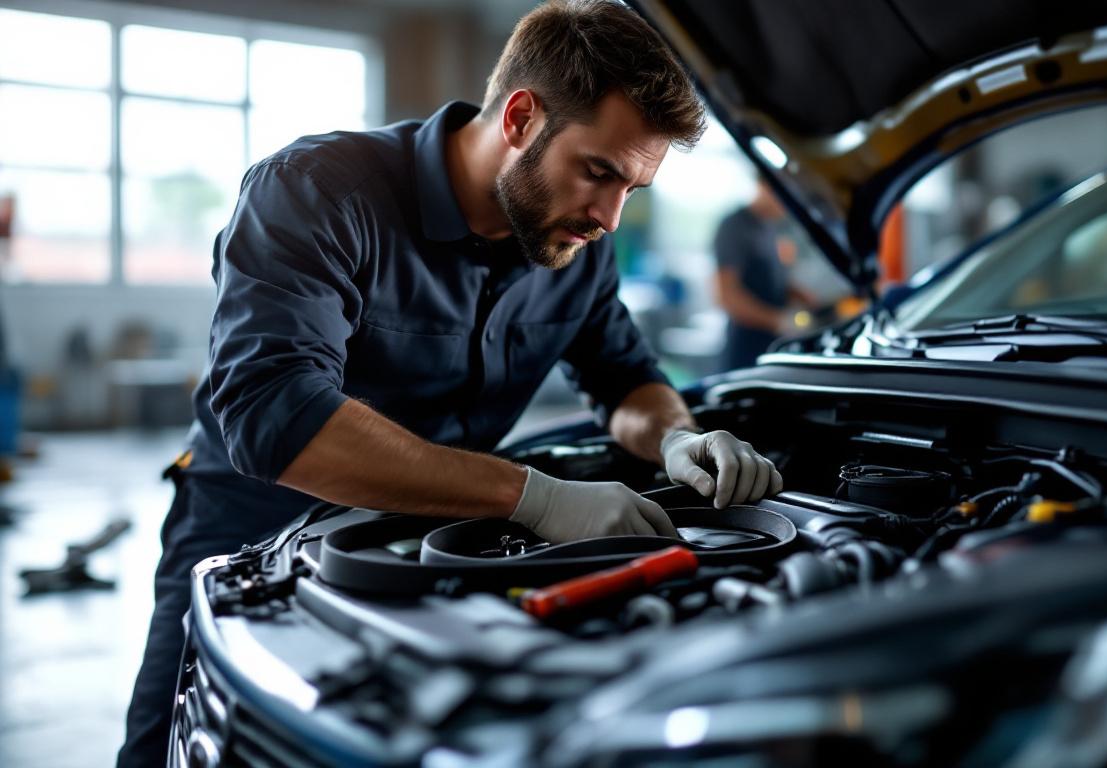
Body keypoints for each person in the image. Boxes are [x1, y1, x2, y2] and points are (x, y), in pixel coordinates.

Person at [117, 2, 784, 764]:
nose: (608, 216)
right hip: (251, 538)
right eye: (599, 172)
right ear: (523, 118)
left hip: (439, 538)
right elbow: (277, 419)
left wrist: (677, 437)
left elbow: (625, 378)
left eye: (633, 190)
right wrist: (538, 497)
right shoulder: (317, 193)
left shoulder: (576, 247)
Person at [714, 178, 817, 370]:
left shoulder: (769, 227)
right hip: (744, 351)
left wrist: (796, 293)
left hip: (771, 346)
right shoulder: (735, 226)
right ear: (764, 185)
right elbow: (727, 296)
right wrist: (778, 321)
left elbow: (769, 279)